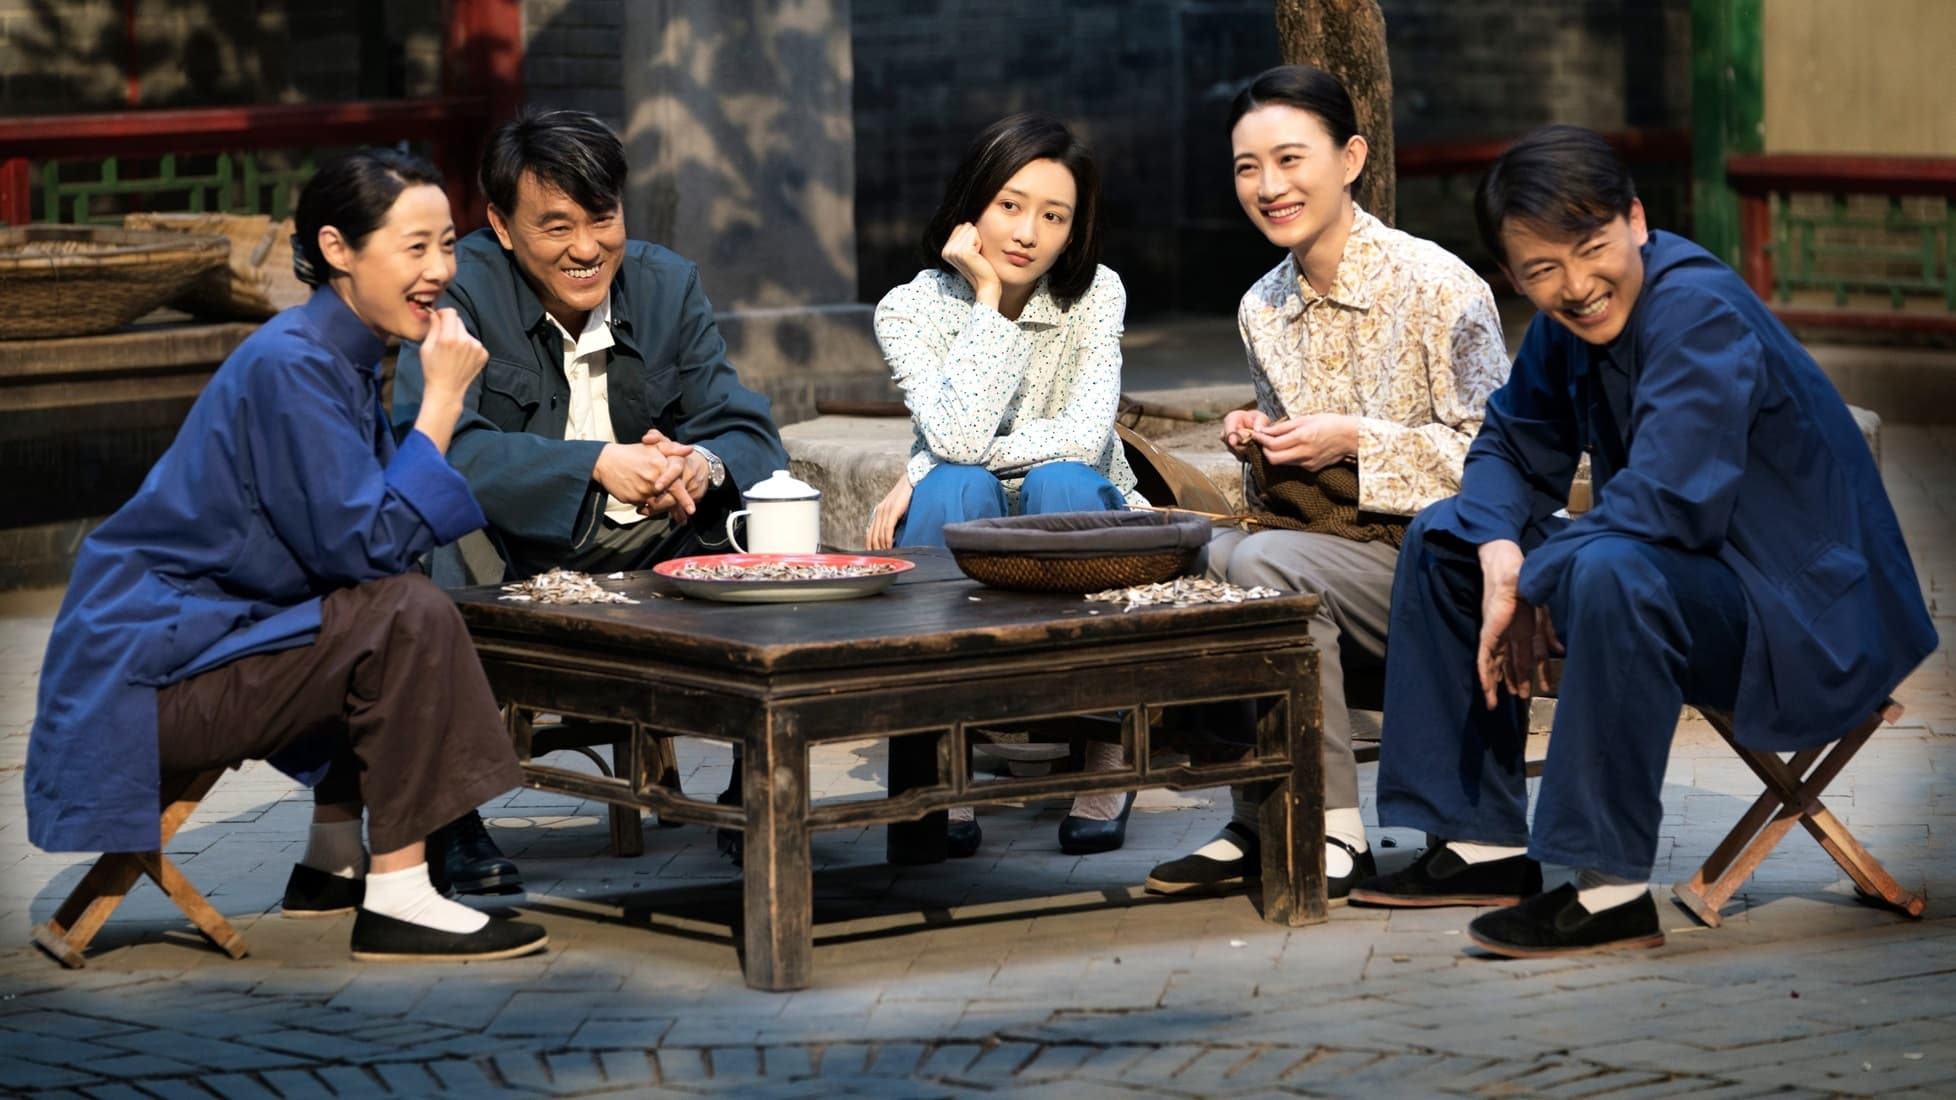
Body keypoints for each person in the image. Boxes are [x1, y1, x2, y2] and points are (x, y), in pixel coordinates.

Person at [1347, 125, 1937, 957]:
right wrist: (1501, 555)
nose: (1576, 286)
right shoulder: (1567, 323)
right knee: (1450, 534)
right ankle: (1479, 842)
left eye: (1592, 249)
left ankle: (1608, 894)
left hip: (1805, 619)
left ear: (1636, 220)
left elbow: (1668, 506)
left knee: (1615, 569)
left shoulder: (1696, 311)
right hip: (1697, 579)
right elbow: (1509, 445)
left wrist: (1536, 579)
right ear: (1513, 276)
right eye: (1541, 270)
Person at [25, 150, 548, 962]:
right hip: (138, 692)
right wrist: (444, 400)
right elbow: (367, 547)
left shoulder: (331, 351)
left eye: (447, 245)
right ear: (338, 249)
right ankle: (402, 897)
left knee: (385, 599)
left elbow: (364, 546)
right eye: (415, 247)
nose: (441, 270)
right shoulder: (293, 363)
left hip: (184, 658)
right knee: (404, 613)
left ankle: (332, 862)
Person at [392, 108, 790, 892]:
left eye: (602, 218)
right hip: (509, 549)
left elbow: (750, 431)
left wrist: (701, 467)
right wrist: (597, 465)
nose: (586, 248)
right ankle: (451, 819)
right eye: (556, 226)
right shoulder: (460, 293)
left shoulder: (668, 284)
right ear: (502, 227)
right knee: (432, 530)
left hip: (653, 543)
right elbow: (439, 448)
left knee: (771, 515)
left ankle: (755, 788)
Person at [1140, 65, 1510, 903]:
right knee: (1205, 560)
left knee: (1262, 568)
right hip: (1331, 546)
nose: (1269, 187)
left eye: (1290, 159)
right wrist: (1261, 437)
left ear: (1350, 159)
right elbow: (1298, 484)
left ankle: (1331, 824)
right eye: (1248, 167)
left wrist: (1352, 439)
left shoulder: (1439, 285)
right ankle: (1258, 813)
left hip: (1442, 563)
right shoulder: (1261, 307)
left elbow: (1495, 460)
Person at [864, 112, 1146, 857]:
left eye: (1054, 216)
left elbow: (1085, 437)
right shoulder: (910, 309)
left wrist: (918, 466)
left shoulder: (1097, 293)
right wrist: (987, 299)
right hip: (973, 499)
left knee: (1063, 485)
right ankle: (941, 751)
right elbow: (958, 442)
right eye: (1010, 205)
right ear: (972, 205)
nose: (1027, 234)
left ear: (1074, 229)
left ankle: (1107, 748)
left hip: (1079, 499)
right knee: (955, 491)